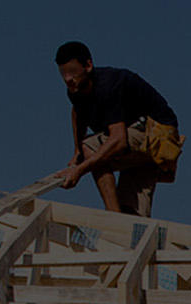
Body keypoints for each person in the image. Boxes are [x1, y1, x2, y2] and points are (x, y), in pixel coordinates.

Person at [51, 41, 183, 216]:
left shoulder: (107, 86)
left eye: (73, 71)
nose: (68, 78)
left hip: (158, 133)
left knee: (92, 148)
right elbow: (78, 112)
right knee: (132, 214)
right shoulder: (75, 91)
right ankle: (124, 221)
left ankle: (112, 215)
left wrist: (79, 170)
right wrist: (76, 152)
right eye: (63, 73)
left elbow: (118, 140)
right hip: (138, 144)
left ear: (88, 66)